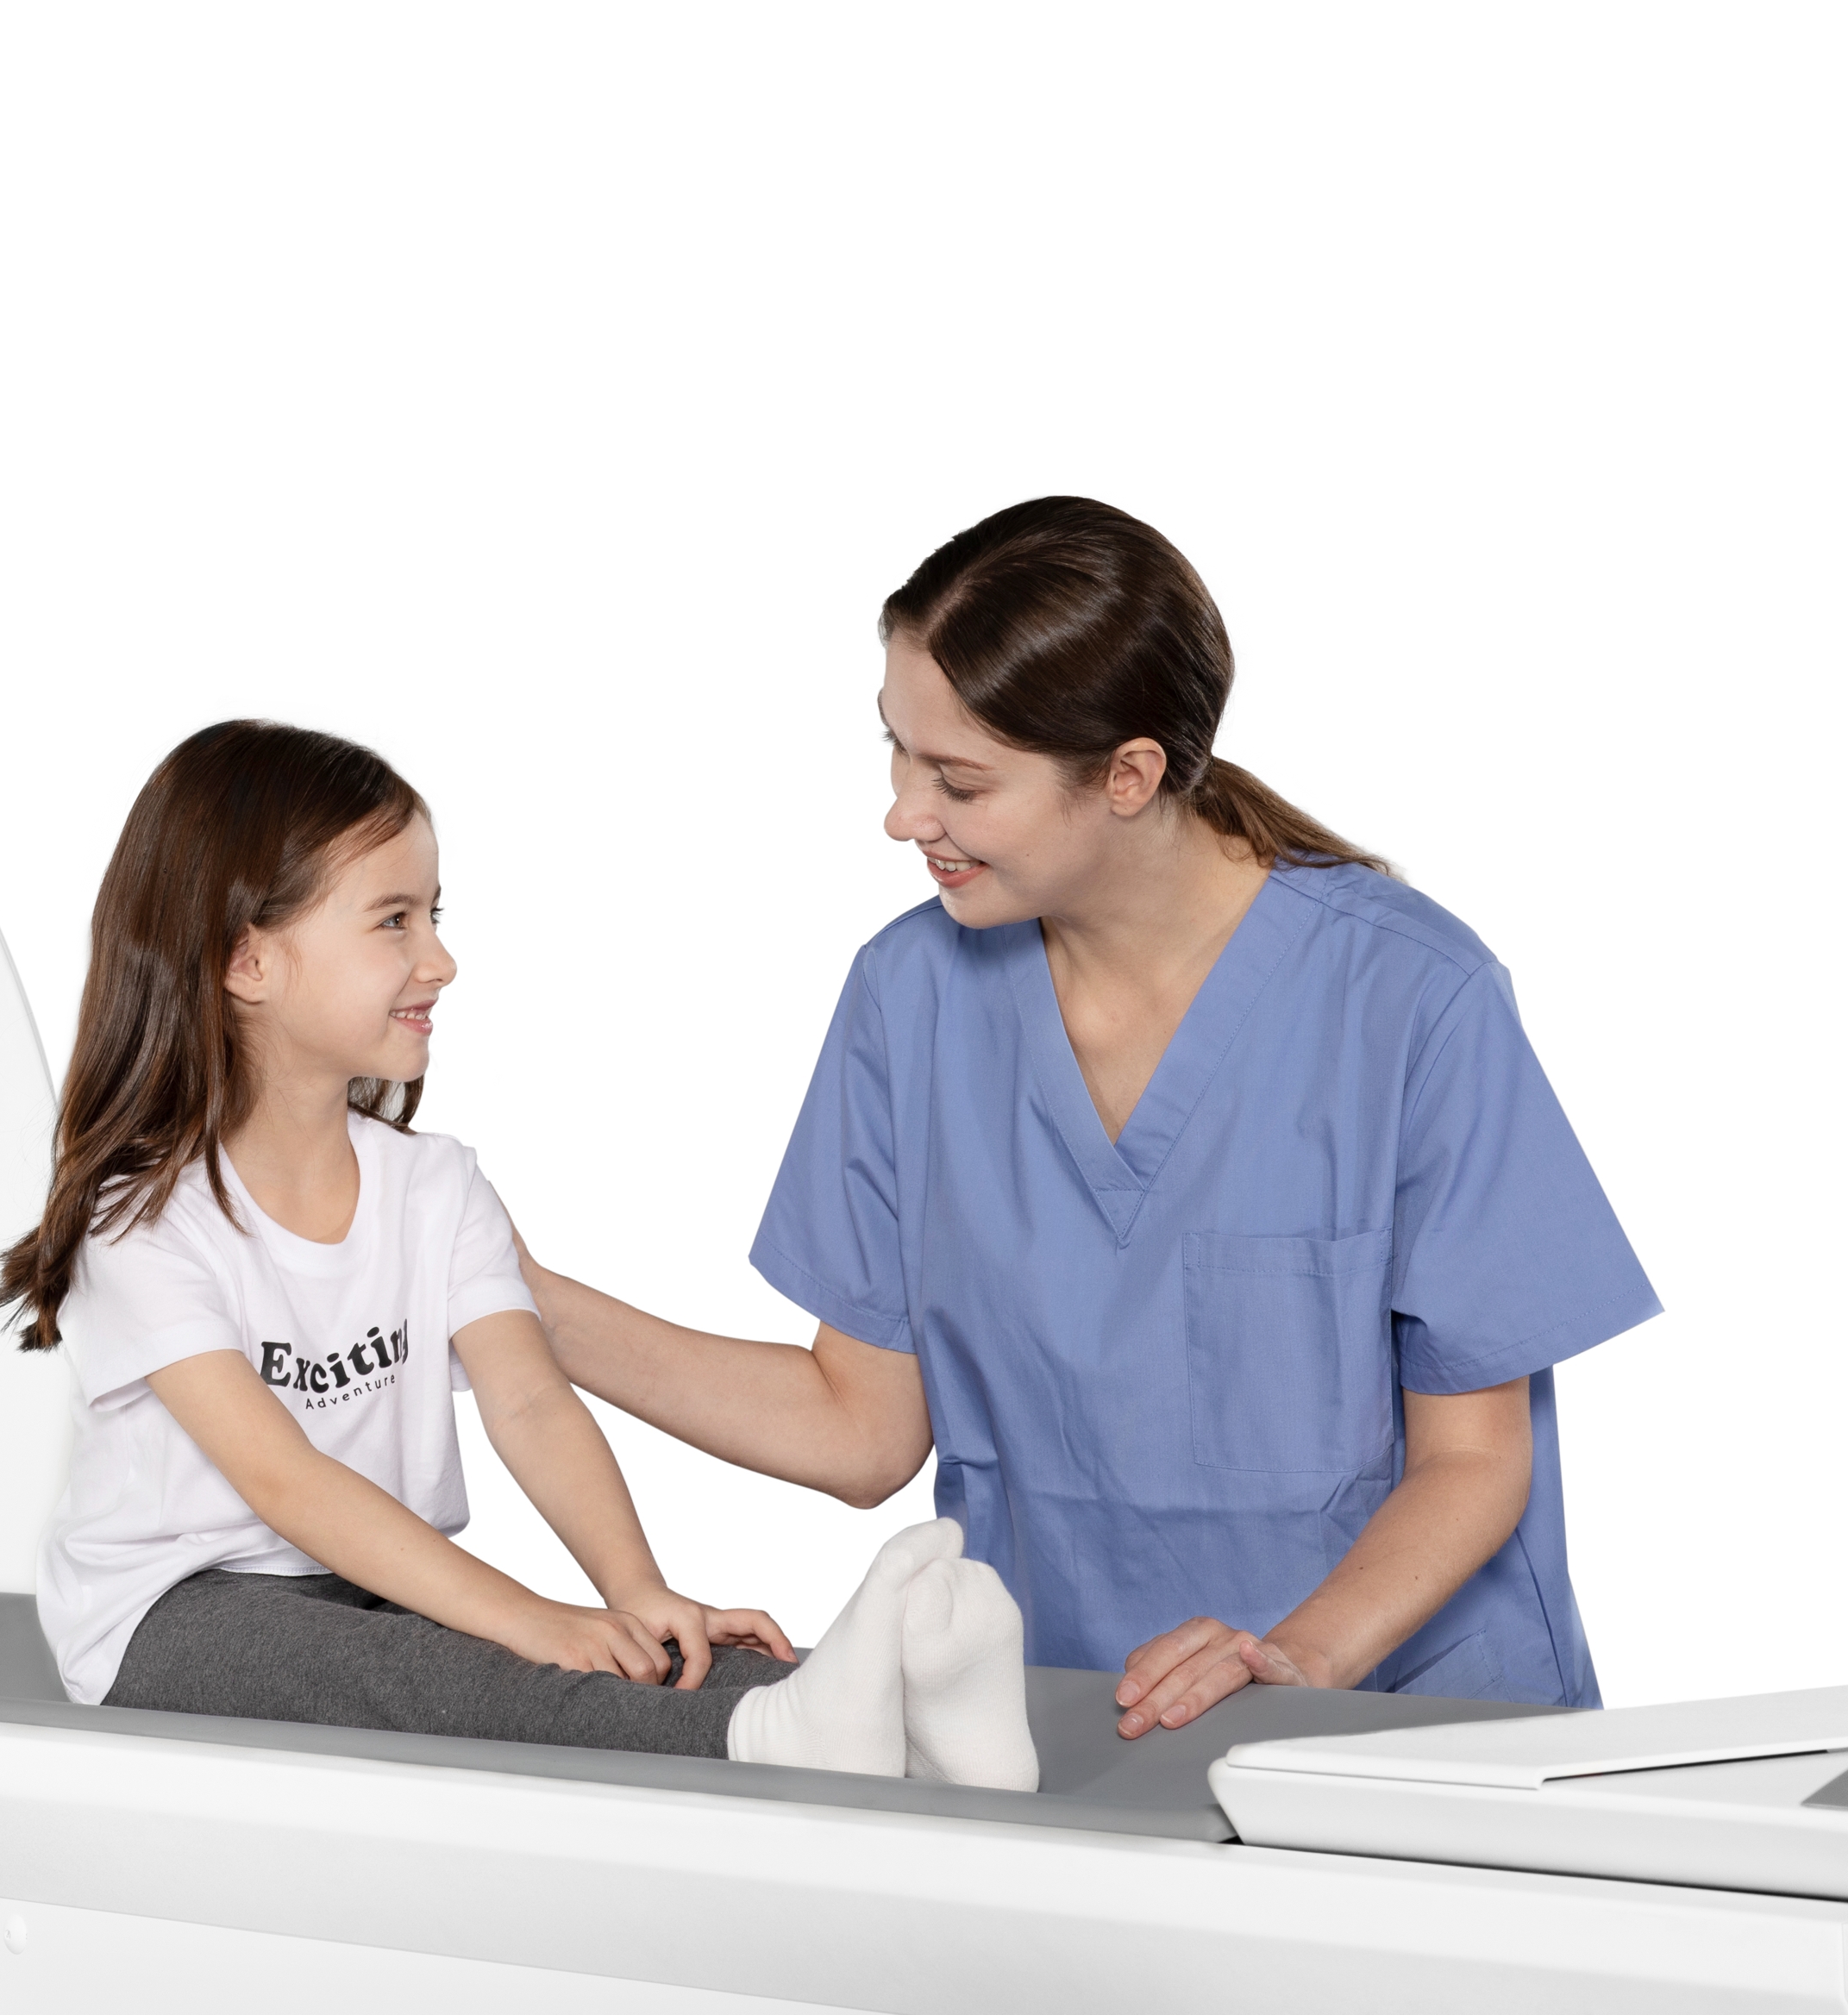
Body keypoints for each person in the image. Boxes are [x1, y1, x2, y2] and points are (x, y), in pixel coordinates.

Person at [522, 497, 1657, 1738]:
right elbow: (861, 1431)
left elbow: (1476, 1460)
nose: (903, 813)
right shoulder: (911, 996)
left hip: (1408, 1732)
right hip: (1077, 1723)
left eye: (960, 780)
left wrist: (1291, 1658)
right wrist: (507, 1296)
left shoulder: (1411, 998)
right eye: (897, 750)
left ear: (1128, 775)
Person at [0, 717, 1037, 1786]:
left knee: (591, 1648)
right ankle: (763, 1733)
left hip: (374, 1588)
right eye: (393, 920)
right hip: (175, 1612)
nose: (439, 960)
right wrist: (536, 1617)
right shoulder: (144, 1221)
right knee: (473, 1661)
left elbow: (532, 1402)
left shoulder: (436, 1186)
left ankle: (914, 1722)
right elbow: (285, 1480)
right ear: (246, 959)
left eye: (433, 915)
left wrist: (635, 1592)